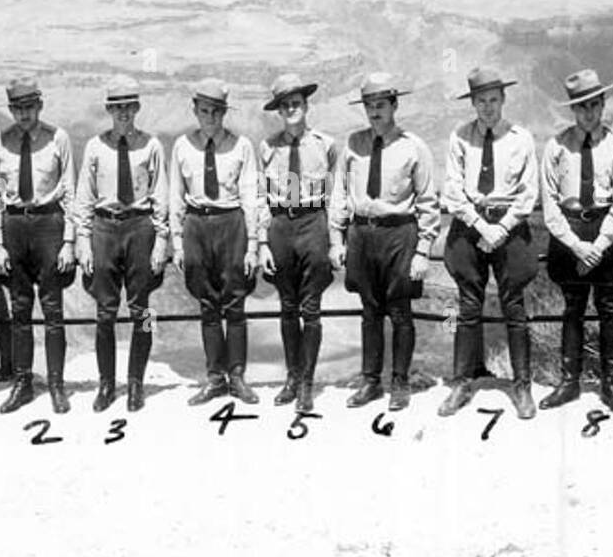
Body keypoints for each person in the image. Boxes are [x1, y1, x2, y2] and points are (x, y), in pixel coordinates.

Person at [330, 71, 440, 412]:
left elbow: (428, 201)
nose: (374, 111)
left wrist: (423, 249)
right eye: (369, 105)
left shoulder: (413, 146)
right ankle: (370, 382)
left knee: (400, 311)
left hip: (399, 234)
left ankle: (401, 383)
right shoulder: (353, 144)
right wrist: (337, 238)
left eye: (381, 104)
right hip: (362, 234)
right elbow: (340, 193)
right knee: (369, 311)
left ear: (395, 105)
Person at [438, 67, 540, 419]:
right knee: (467, 305)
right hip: (471, 222)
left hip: (509, 225)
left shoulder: (520, 138)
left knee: (514, 305)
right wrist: (481, 225)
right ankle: (462, 383)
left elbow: (529, 193)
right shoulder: (460, 137)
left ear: (503, 99)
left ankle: (522, 385)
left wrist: (503, 227)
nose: (488, 107)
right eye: (481, 101)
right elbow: (452, 189)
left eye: (494, 100)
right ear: (473, 103)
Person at [539, 69, 613, 415]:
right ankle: (569, 382)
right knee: (572, 308)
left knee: (608, 309)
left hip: (608, 233)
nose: (589, 113)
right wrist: (576, 245)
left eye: (594, 104)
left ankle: (611, 383)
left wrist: (600, 244)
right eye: (581, 107)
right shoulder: (556, 147)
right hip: (569, 232)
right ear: (572, 110)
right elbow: (550, 204)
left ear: (603, 103)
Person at [75, 75, 169, 413]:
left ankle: (135, 384)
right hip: (104, 228)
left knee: (143, 310)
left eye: (130, 106)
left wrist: (161, 240)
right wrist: (83, 241)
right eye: (118, 107)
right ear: (109, 110)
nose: (124, 113)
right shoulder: (95, 147)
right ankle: (105, 384)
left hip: (140, 228)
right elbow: (83, 197)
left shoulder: (151, 146)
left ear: (138, 108)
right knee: (105, 312)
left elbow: (160, 196)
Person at [169, 78, 261, 406]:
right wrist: (177, 242)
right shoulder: (181, 146)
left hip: (231, 223)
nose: (210, 117)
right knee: (206, 304)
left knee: (235, 302)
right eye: (204, 110)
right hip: (196, 224)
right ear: (195, 110)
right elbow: (175, 196)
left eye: (217, 111)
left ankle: (237, 376)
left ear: (224, 113)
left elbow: (252, 196)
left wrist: (252, 244)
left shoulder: (242, 146)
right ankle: (214, 378)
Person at [0, 78, 77, 415]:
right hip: (14, 226)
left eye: (30, 106)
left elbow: (70, 190)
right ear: (11, 109)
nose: (24, 114)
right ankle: (22, 383)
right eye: (17, 108)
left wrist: (69, 241)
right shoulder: (1, 141)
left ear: (40, 106)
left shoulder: (58, 138)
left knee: (53, 309)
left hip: (49, 225)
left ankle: (56, 384)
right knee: (19, 309)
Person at [256, 73, 338, 413]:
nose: (292, 109)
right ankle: (292, 377)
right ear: (279, 110)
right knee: (287, 306)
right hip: (280, 225)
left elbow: (336, 196)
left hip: (312, 223)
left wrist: (335, 240)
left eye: (297, 103)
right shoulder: (268, 147)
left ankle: (307, 382)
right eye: (285, 105)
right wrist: (261, 242)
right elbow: (261, 197)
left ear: (306, 106)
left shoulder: (325, 145)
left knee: (311, 308)